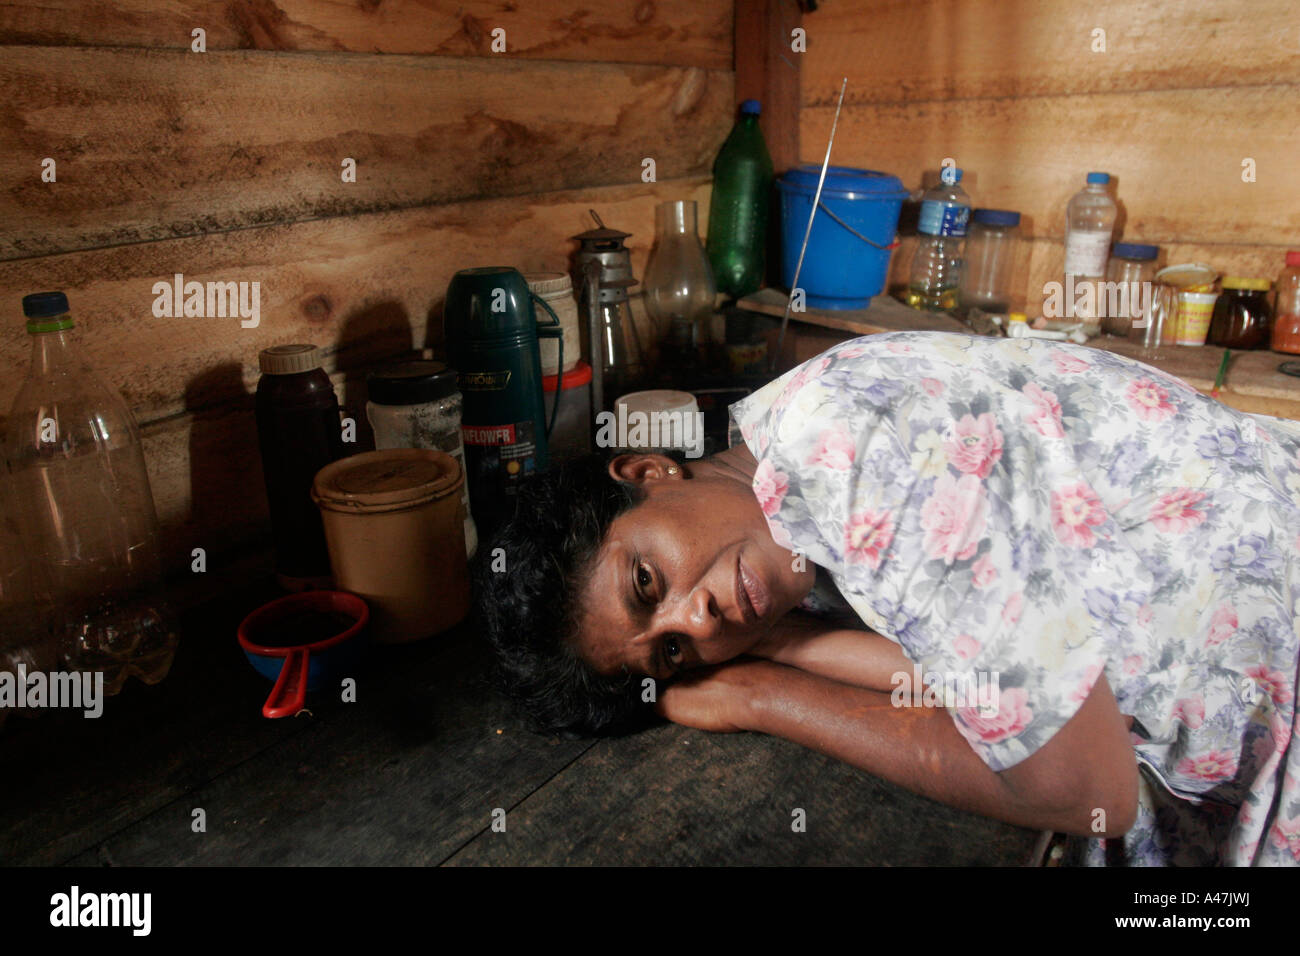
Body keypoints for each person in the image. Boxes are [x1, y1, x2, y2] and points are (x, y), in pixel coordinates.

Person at [474, 331, 1300, 865]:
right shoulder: (791, 449)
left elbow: (1086, 794)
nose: (698, 618)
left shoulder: (867, 463)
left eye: (646, 582)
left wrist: (767, 696)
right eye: (672, 650)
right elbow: (984, 673)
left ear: (647, 472)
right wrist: (779, 643)